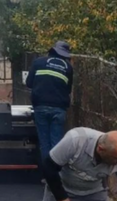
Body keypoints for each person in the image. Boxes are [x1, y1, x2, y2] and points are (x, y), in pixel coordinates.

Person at [25, 40, 74, 168]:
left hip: (41, 107)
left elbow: (29, 83)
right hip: (59, 109)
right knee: (57, 143)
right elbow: (68, 89)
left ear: (52, 51)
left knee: (44, 142)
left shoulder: (38, 62)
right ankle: (57, 174)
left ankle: (48, 176)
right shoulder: (68, 68)